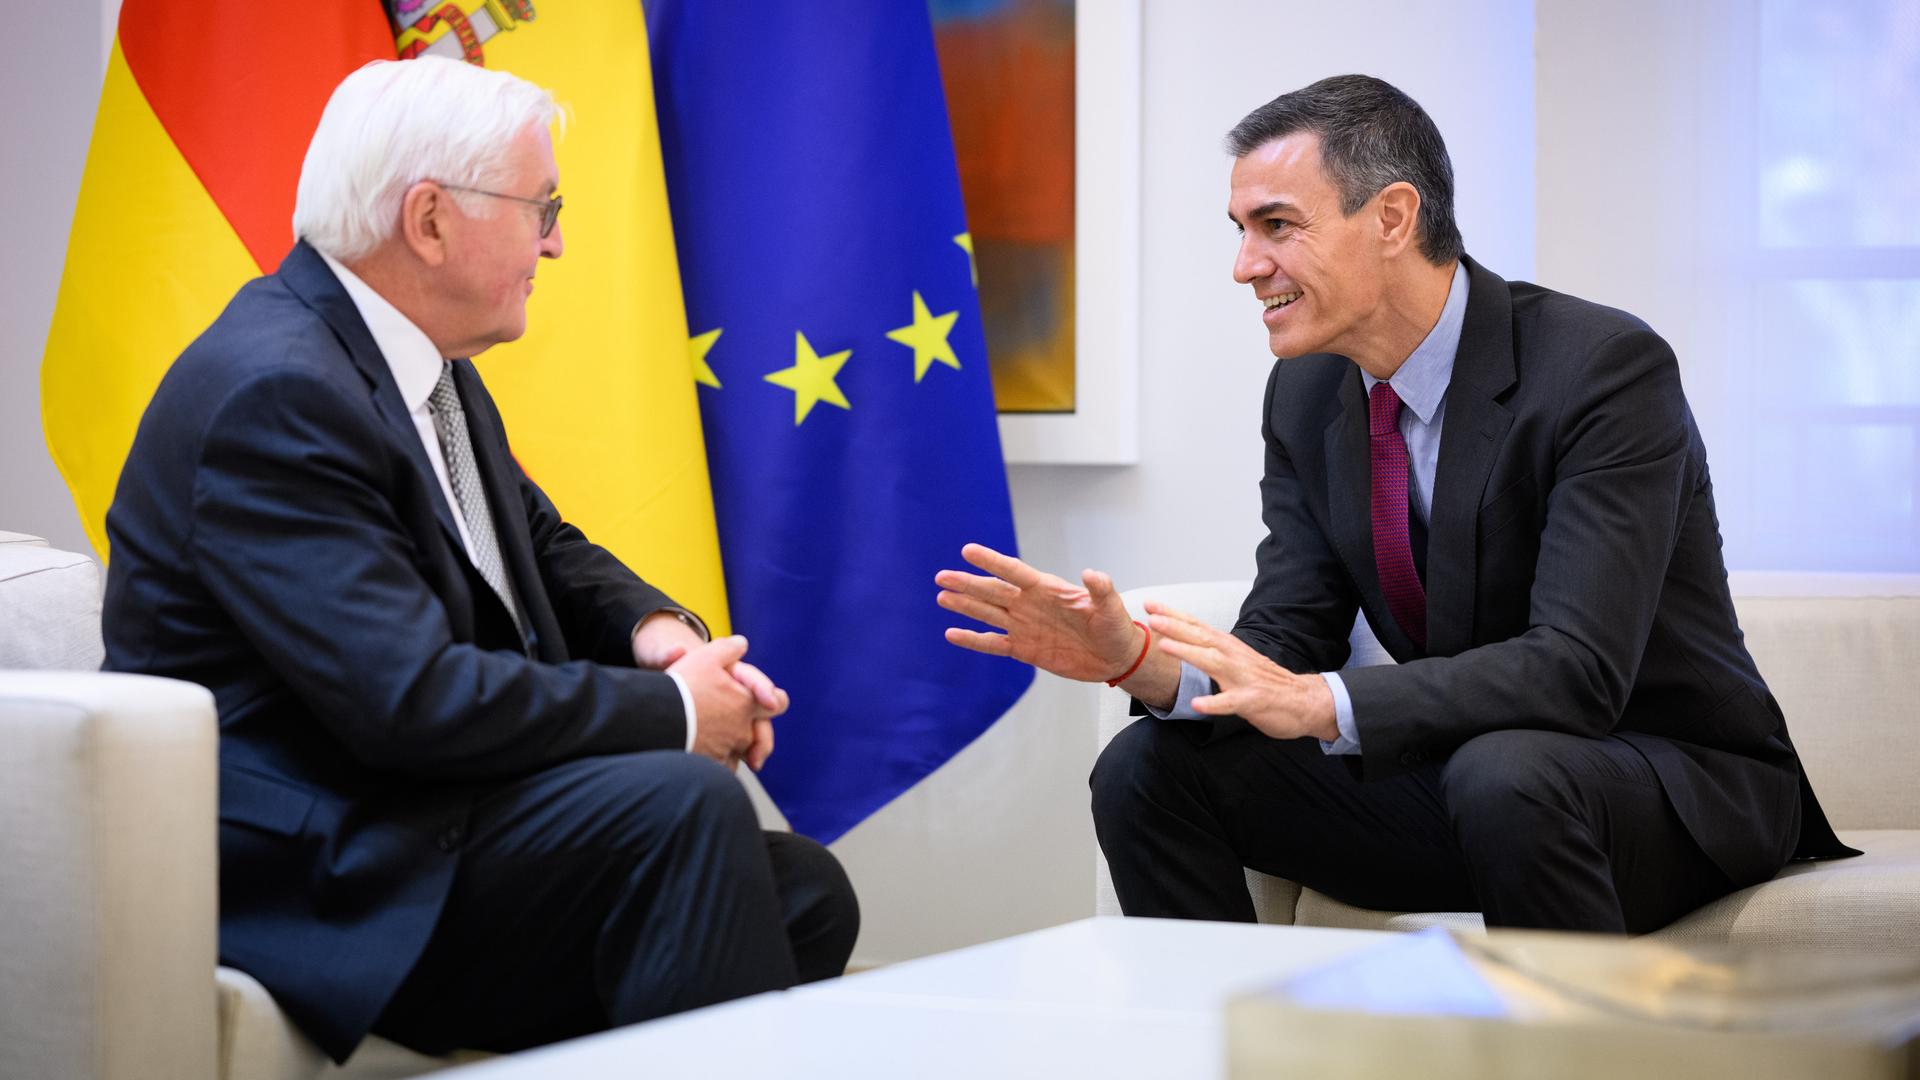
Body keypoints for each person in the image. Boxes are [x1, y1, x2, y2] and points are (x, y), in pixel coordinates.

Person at [937, 74, 1856, 934]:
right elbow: (1288, 632)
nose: (1244, 266)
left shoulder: (1601, 370)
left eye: (1276, 225)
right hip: (1473, 783)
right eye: (1239, 229)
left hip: (1666, 784)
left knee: (1509, 776)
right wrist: (1141, 663)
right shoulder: (1306, 394)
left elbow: (1578, 671)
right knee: (1148, 770)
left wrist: (1326, 703)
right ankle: (1219, 1053)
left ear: (1393, 217)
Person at [102, 57, 857, 1063]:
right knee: (685, 808)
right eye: (539, 205)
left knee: (806, 894)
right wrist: (679, 716)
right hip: (327, 871)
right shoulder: (275, 397)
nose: (555, 239)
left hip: (420, 822)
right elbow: (411, 700)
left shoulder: (412, 360)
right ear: (429, 220)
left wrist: (660, 639)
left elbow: (536, 545)